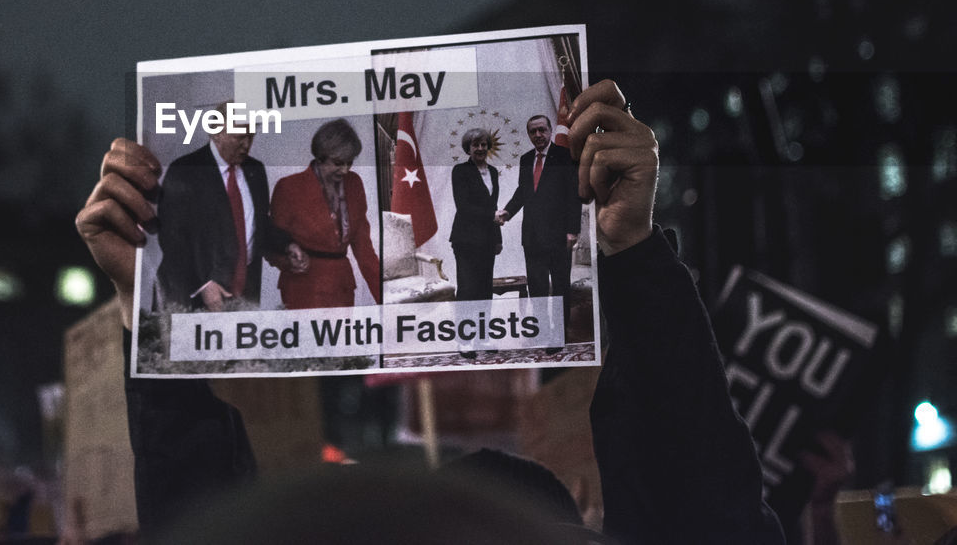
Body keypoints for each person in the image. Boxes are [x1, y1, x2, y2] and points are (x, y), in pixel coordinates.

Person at [76, 80, 785, 543]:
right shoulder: (282, 180)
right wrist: (630, 255)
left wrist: (152, 319)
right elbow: (702, 510)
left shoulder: (327, 183)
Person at [153, 111, 296, 310]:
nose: (247, 144)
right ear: (216, 133)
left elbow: (258, 224)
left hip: (243, 296)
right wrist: (203, 285)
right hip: (189, 296)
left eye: (251, 136)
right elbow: (172, 238)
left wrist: (287, 245)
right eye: (240, 137)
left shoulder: (255, 169)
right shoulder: (185, 170)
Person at [268, 118, 382, 309]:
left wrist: (383, 297)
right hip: (302, 290)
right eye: (338, 163)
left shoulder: (355, 184)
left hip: (343, 290)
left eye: (350, 163)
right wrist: (288, 262)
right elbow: (271, 244)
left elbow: (364, 249)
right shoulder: (289, 188)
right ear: (321, 156)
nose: (345, 170)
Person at [497, 113, 583, 326]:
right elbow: (523, 192)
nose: (538, 134)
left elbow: (574, 196)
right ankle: (543, 330)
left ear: (550, 130)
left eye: (541, 130)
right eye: (533, 131)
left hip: (559, 235)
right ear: (528, 134)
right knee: (537, 288)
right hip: (532, 236)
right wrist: (507, 212)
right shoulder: (526, 159)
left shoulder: (565, 156)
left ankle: (560, 333)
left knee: (560, 286)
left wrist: (573, 231)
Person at [450, 127, 503, 301]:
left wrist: (498, 239)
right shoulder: (460, 171)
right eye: (475, 145)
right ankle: (464, 328)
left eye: (483, 144)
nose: (480, 148)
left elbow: (492, 205)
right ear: (468, 148)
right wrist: (491, 216)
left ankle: (484, 327)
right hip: (466, 241)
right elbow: (463, 207)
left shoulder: (493, 172)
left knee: (485, 290)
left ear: (488, 147)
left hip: (488, 241)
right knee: (468, 290)